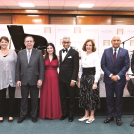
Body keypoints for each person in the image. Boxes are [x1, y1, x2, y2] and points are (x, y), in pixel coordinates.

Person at [101, 36, 129, 126]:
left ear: (120, 41)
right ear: (111, 41)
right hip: (108, 79)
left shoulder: (124, 52)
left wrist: (118, 76)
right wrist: (110, 75)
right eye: (114, 40)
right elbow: (103, 64)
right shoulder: (106, 51)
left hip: (119, 80)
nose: (116, 42)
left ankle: (118, 117)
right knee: (109, 99)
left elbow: (126, 65)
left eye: (117, 40)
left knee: (119, 99)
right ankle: (110, 116)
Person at [16, 35, 44, 123]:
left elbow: (42, 67)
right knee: (23, 99)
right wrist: (18, 79)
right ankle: (22, 115)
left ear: (34, 43)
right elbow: (18, 67)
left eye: (31, 41)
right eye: (27, 41)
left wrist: (40, 79)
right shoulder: (20, 53)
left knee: (34, 99)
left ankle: (34, 115)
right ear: (24, 43)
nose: (29, 43)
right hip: (23, 79)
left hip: (35, 79)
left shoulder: (39, 52)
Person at [77, 39, 101, 124]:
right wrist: (79, 80)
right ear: (85, 46)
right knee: (84, 97)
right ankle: (86, 115)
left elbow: (98, 70)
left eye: (90, 45)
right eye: (87, 45)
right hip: (84, 78)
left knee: (92, 97)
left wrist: (95, 82)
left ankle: (92, 116)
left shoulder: (95, 55)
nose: (88, 47)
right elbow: (81, 69)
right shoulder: (83, 55)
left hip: (92, 78)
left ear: (93, 46)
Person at [39, 43, 62, 119]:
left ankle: (54, 113)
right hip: (45, 77)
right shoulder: (43, 57)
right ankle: (46, 113)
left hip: (55, 77)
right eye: (48, 48)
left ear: (54, 49)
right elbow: (40, 69)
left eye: (51, 48)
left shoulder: (58, 57)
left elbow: (61, 68)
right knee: (46, 94)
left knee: (55, 94)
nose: (49, 49)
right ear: (46, 49)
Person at [59, 36, 79, 122]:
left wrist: (73, 80)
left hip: (70, 80)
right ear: (62, 43)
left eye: (67, 42)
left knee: (71, 98)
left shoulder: (74, 52)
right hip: (61, 79)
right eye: (64, 42)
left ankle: (71, 115)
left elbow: (76, 67)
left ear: (70, 43)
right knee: (62, 97)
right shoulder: (60, 51)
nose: (66, 44)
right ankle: (64, 113)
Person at [0, 36, 17, 123]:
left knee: (11, 97)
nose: (4, 43)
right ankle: (1, 115)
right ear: (0, 43)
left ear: (8, 43)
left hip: (12, 78)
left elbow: (17, 65)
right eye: (2, 42)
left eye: (6, 42)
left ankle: (11, 114)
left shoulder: (13, 52)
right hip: (1, 79)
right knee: (1, 98)